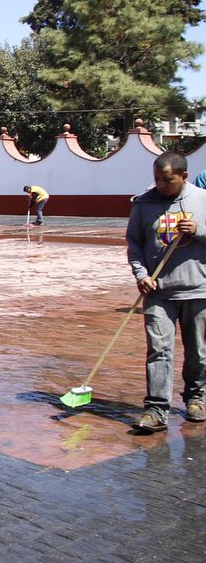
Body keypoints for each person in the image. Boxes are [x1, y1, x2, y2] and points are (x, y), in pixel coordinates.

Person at [126, 151, 206, 433]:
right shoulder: (144, 203)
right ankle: (156, 409)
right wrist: (141, 275)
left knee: (197, 351)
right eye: (157, 179)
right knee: (158, 350)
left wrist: (198, 230)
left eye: (167, 180)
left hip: (198, 289)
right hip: (158, 292)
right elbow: (134, 243)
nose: (160, 185)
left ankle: (196, 398)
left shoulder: (202, 200)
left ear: (183, 177)